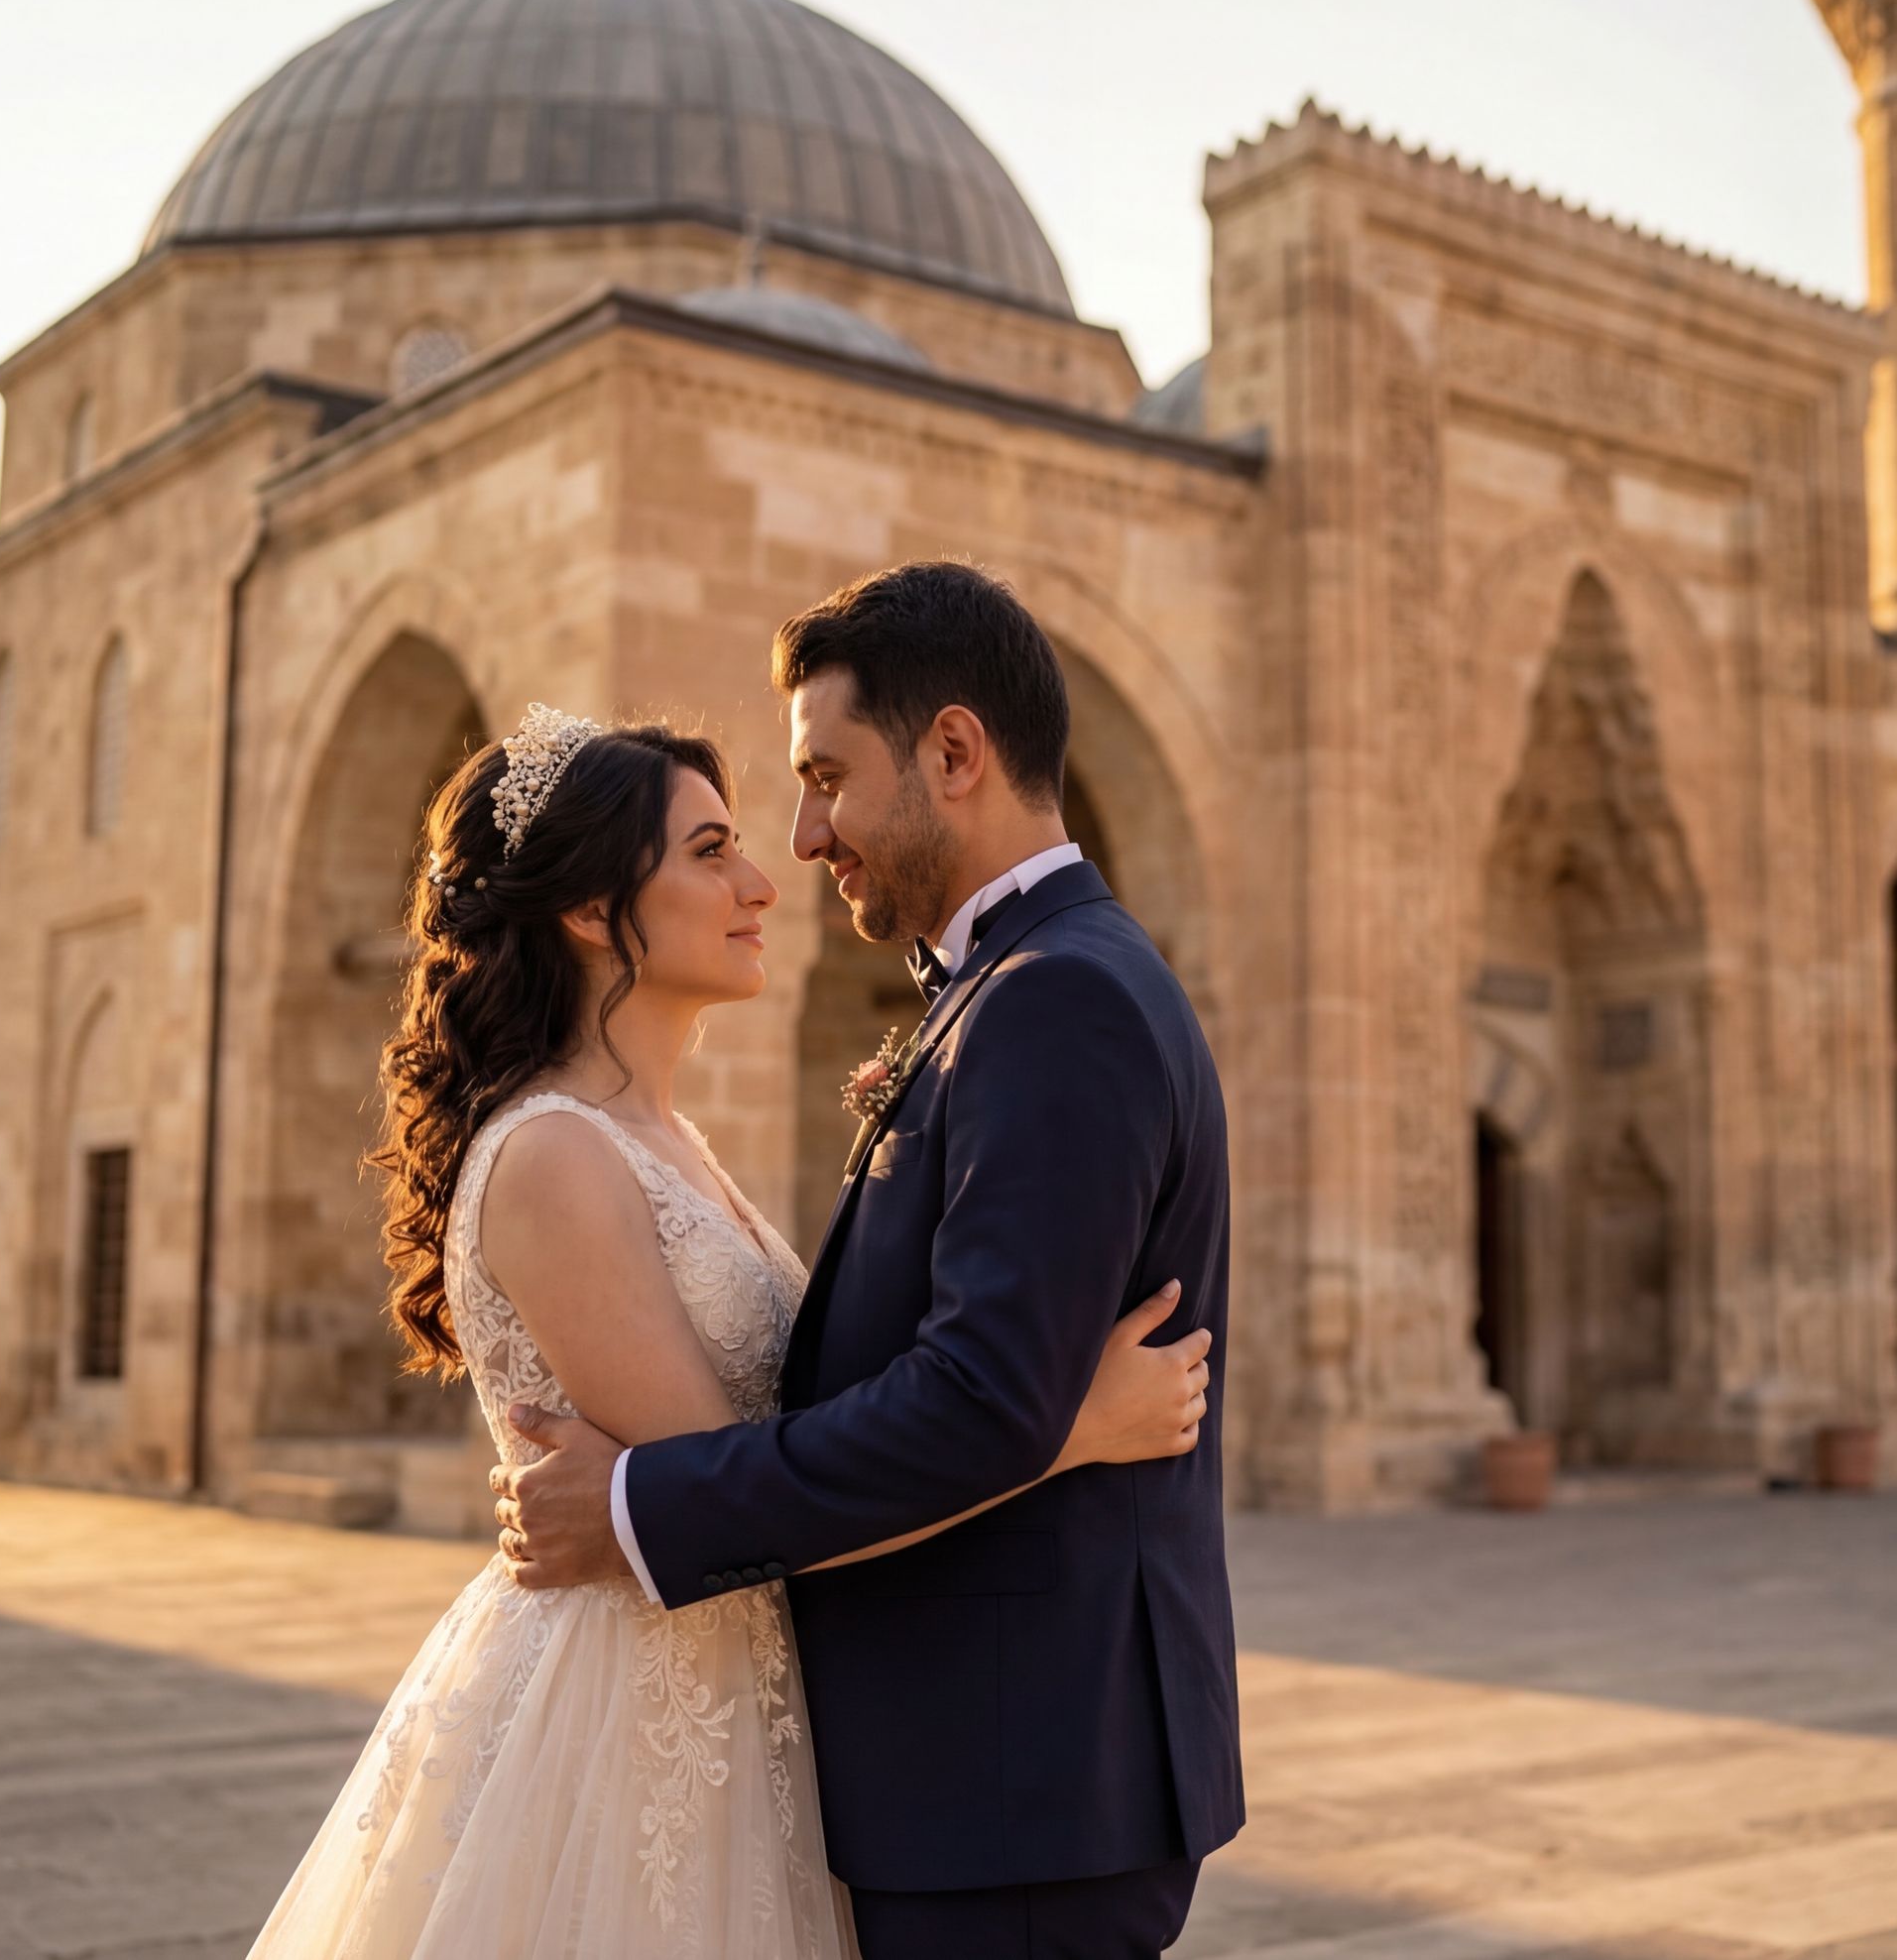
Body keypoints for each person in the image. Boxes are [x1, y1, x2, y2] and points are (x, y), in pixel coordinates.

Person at [246, 693, 1213, 1959]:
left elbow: (751, 1465)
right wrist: (1067, 1427)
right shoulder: (553, 1159)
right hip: (632, 1717)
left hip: (738, 1702)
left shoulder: (667, 1141)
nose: (766, 880)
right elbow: (747, 1509)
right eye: (710, 853)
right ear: (592, 912)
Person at [500, 561, 1243, 1959]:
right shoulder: (1016, 986)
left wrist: (642, 1505)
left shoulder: (1054, 998)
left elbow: (976, 1400)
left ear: (953, 751)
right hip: (993, 1778)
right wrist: (1070, 1425)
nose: (805, 832)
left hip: (1015, 1784)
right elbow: (998, 1391)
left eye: (828, 776)